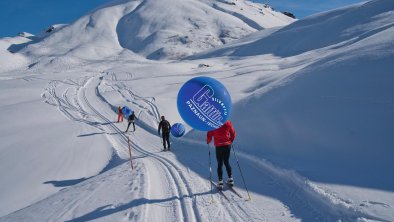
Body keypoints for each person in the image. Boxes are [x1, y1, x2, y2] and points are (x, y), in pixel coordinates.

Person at [207, 120, 236, 190]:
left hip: (219, 146)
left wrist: (208, 141)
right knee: (226, 161)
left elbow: (209, 134)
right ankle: (230, 179)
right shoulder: (228, 122)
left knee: (220, 163)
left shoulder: (213, 122)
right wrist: (230, 141)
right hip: (227, 145)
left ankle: (220, 182)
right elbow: (233, 133)